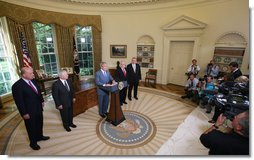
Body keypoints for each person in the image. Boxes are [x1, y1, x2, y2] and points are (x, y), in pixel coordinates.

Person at [12, 67, 50, 150]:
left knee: (39, 123)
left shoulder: (33, 81)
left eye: (32, 72)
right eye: (30, 73)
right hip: (29, 111)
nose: (33, 74)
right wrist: (24, 113)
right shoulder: (17, 86)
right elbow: (19, 101)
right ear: (24, 75)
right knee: (31, 127)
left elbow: (38, 92)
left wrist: (42, 100)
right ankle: (33, 143)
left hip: (38, 108)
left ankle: (40, 136)